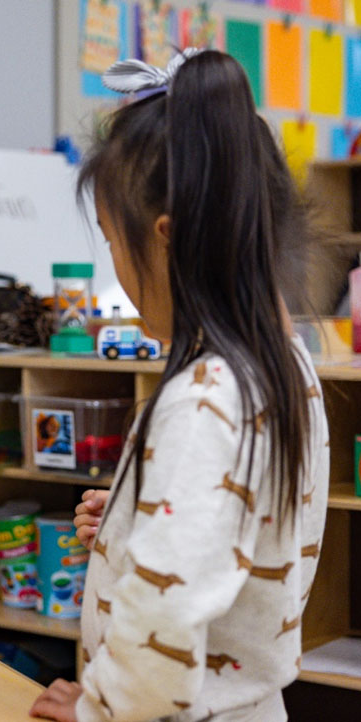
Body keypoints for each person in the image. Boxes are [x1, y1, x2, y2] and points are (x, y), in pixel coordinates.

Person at [30, 49, 329, 722]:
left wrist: (98, 711)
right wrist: (134, 520)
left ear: (164, 239)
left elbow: (164, 609)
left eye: (111, 240)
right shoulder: (286, 365)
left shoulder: (205, 396)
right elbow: (236, 530)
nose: (116, 266)